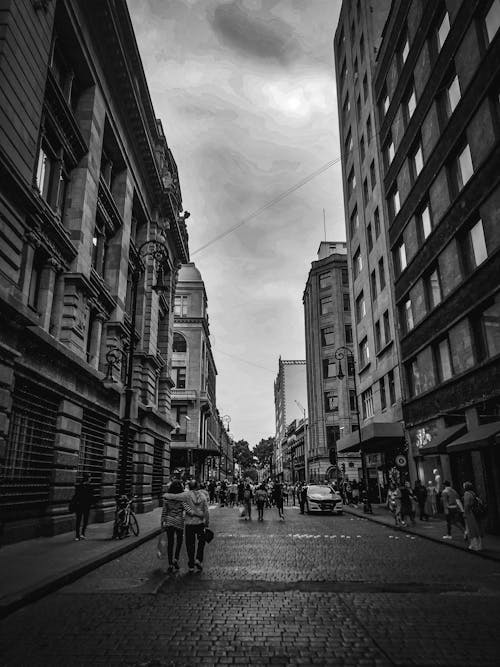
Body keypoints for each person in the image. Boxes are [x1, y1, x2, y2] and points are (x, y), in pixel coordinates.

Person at [159, 480, 185, 572]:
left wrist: (162, 523)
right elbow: (186, 510)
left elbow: (164, 512)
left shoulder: (167, 498)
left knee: (170, 542)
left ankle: (170, 564)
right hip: (179, 521)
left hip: (169, 521)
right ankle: (176, 559)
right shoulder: (182, 498)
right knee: (179, 541)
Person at [71, 473, 94, 541]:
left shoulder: (79, 486)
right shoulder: (89, 486)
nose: (90, 479)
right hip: (85, 506)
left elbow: (76, 496)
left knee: (79, 521)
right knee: (84, 521)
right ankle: (82, 534)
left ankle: (78, 535)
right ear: (88, 478)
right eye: (89, 477)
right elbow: (91, 497)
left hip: (80, 506)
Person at [463, 481, 483, 551]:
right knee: (476, 528)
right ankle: (479, 545)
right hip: (474, 513)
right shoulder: (473, 493)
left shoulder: (466, 494)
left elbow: (466, 505)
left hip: (469, 513)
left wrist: (464, 513)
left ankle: (474, 545)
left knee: (472, 529)